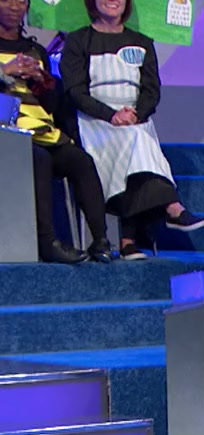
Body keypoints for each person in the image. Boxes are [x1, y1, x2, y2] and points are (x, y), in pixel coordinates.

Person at [60, 0, 204, 260]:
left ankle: (129, 241)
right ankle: (171, 207)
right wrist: (111, 115)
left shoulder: (142, 42)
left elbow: (152, 90)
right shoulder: (78, 41)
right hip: (96, 121)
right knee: (136, 143)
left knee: (136, 140)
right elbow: (74, 91)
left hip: (134, 119)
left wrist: (136, 114)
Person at [0, 0, 104, 264]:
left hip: (43, 132)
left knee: (79, 160)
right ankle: (47, 243)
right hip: (9, 136)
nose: (14, 7)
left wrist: (42, 81)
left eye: (21, 1)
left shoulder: (35, 50)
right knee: (39, 159)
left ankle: (101, 241)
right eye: (7, 0)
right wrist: (5, 71)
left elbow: (51, 105)